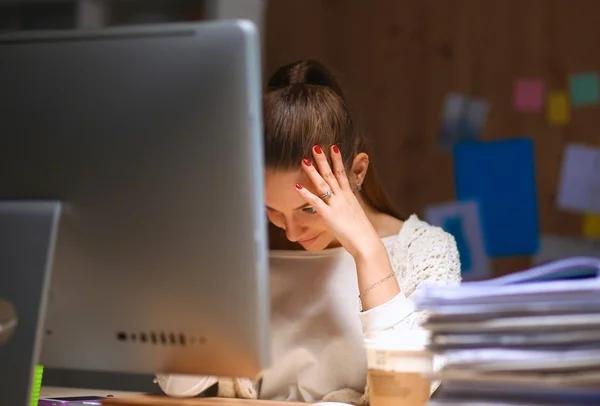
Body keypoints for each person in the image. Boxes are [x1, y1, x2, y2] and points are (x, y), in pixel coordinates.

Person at [156, 60, 461, 404]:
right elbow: (178, 384)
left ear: (357, 171)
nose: (290, 232)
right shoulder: (249, 252)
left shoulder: (425, 250)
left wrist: (369, 253)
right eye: (272, 209)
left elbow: (403, 398)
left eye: (309, 208)